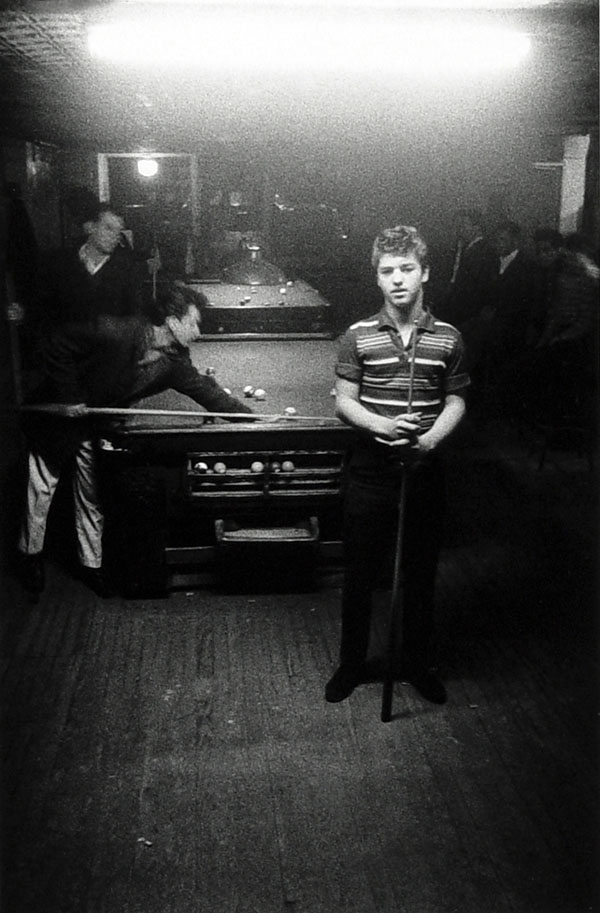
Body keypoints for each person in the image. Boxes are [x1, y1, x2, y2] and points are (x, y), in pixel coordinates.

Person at [16, 284, 254, 599]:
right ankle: (30, 558)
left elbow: (205, 390)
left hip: (96, 421)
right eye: (194, 323)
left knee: (90, 496)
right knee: (42, 489)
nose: (198, 331)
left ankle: (91, 567)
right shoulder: (116, 330)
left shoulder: (174, 362)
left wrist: (253, 418)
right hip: (58, 416)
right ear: (172, 320)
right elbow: (56, 344)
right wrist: (69, 396)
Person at [325, 225, 469, 705]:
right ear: (378, 279)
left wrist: (428, 441)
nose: (398, 280)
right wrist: (383, 426)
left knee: (420, 574)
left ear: (424, 272)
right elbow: (344, 402)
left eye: (407, 269)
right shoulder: (358, 337)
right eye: (387, 271)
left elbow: (456, 401)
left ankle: (417, 664)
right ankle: (351, 665)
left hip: (423, 470)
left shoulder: (448, 338)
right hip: (370, 471)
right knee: (361, 574)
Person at [442, 208, 497, 331]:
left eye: (463, 225)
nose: (459, 230)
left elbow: (480, 284)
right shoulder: (462, 248)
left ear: (476, 227)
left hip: (471, 310)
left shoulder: (484, 251)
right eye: (458, 225)